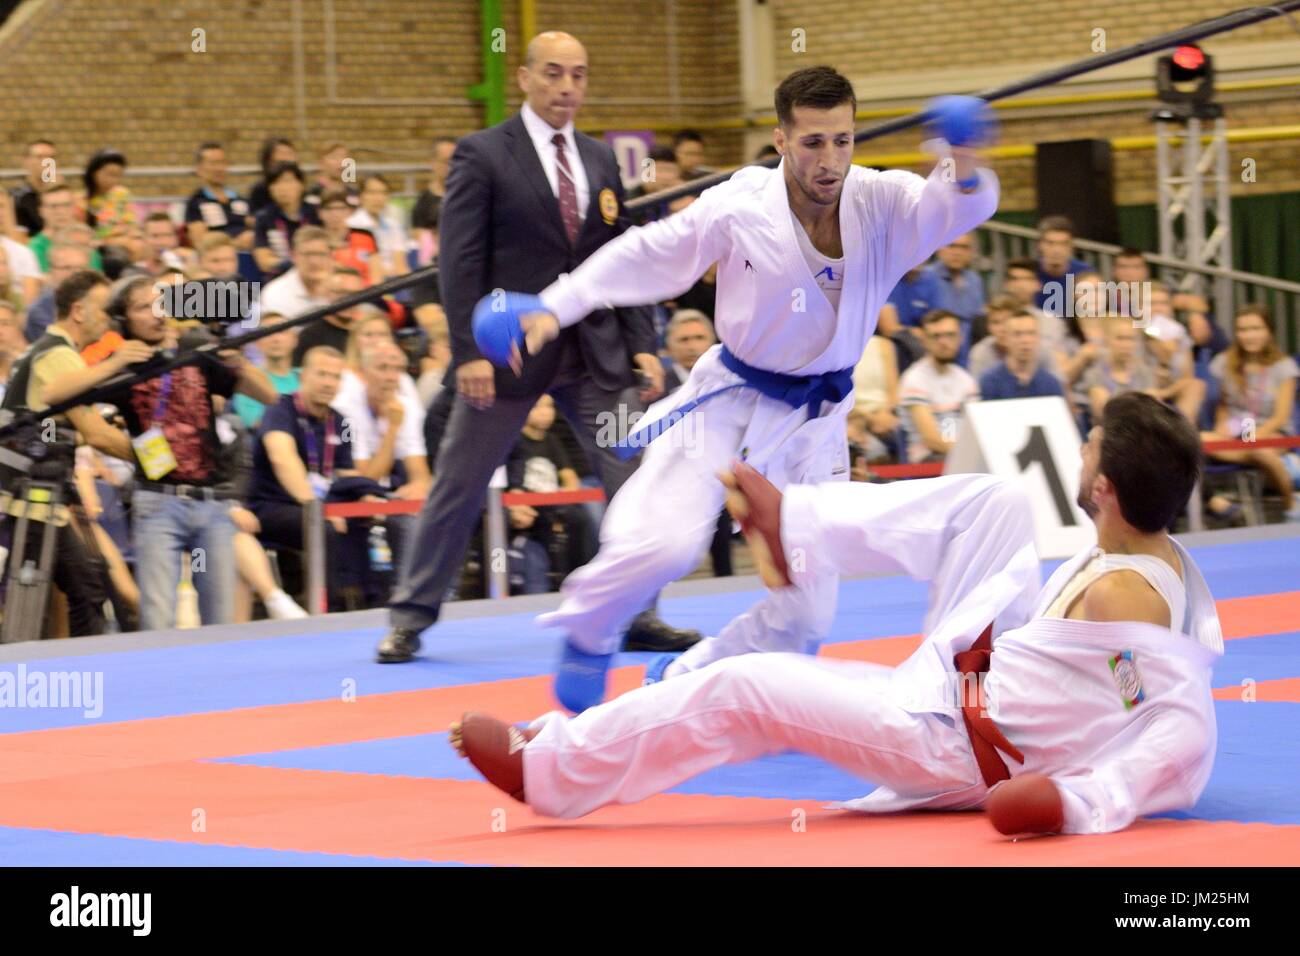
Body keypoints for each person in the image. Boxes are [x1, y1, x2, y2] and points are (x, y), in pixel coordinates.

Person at [452, 393, 1224, 839]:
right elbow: (1127, 689)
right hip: (976, 674)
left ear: (1104, 490)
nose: (1081, 453)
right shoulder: (1154, 558)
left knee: (745, 687)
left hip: (953, 739)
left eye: (1089, 448)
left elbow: (1176, 727)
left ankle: (551, 768)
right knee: (996, 502)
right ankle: (795, 524)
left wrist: (1079, 802)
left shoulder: (1127, 600)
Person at [480, 65, 998, 710]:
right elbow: (649, 252)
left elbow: (951, 207)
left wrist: (965, 161)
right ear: (781, 138)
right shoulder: (740, 202)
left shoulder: (883, 202)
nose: (829, 159)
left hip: (815, 423)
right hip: (729, 400)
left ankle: (690, 676)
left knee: (806, 618)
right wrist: (552, 307)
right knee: (662, 544)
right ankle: (588, 630)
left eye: (842, 140)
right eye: (812, 142)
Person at [375, 30, 705, 666]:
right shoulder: (482, 154)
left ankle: (638, 613)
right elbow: (459, 259)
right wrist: (468, 349)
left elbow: (623, 257)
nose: (566, 88)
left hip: (596, 352)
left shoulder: (601, 160)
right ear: (525, 78)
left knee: (632, 480)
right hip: (506, 352)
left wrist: (642, 341)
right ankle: (410, 617)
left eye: (578, 76)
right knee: (459, 484)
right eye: (553, 74)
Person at [94, 276, 278, 630]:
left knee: (219, 621)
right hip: (157, 504)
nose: (155, 313)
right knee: (159, 620)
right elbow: (63, 401)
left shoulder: (196, 352)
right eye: (142, 307)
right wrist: (114, 364)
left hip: (211, 504)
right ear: (124, 321)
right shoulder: (123, 368)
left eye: (160, 303)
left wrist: (236, 358)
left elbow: (268, 395)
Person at [1205, 304, 1300, 521]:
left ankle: (1290, 504)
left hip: (1273, 433)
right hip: (1237, 432)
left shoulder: (1284, 366)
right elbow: (1222, 406)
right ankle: (1283, 468)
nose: (1250, 336)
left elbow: (1281, 417)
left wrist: (1253, 438)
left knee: (1261, 451)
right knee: (1199, 440)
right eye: (1243, 330)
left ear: (1268, 331)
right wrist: (1223, 427)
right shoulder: (1224, 362)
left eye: (1256, 329)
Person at [898, 310, 981, 463]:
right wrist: (971, 454)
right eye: (936, 336)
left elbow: (976, 427)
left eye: (950, 335)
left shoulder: (965, 379)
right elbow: (932, 440)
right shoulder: (914, 379)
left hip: (960, 456)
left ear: (960, 338)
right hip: (928, 462)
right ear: (924, 340)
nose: (944, 342)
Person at [977, 310, 1065, 401]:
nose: (1025, 340)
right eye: (1017, 334)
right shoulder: (990, 381)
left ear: (1039, 338)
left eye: (1031, 333)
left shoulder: (1051, 384)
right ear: (1006, 339)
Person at [183, 142, 255, 250]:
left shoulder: (242, 201)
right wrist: (236, 243)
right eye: (213, 163)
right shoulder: (196, 203)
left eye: (222, 162)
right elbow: (200, 242)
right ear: (199, 169)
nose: (219, 168)